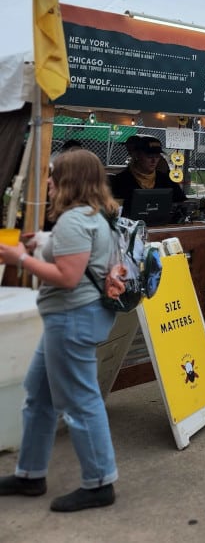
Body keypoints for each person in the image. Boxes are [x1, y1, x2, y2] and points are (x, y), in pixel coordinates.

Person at [0, 150, 119, 511]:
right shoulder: (96, 216)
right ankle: (30, 474)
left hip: (70, 319)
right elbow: (79, 261)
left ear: (70, 180)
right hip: (77, 318)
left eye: (54, 176)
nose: (49, 182)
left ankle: (100, 482)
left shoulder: (72, 220)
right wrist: (45, 245)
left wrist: (20, 258)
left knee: (80, 401)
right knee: (38, 396)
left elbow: (68, 278)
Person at [109, 135, 185, 217]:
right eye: (149, 156)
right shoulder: (121, 180)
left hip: (160, 225)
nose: (154, 161)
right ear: (137, 156)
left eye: (157, 156)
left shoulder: (165, 179)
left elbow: (181, 202)